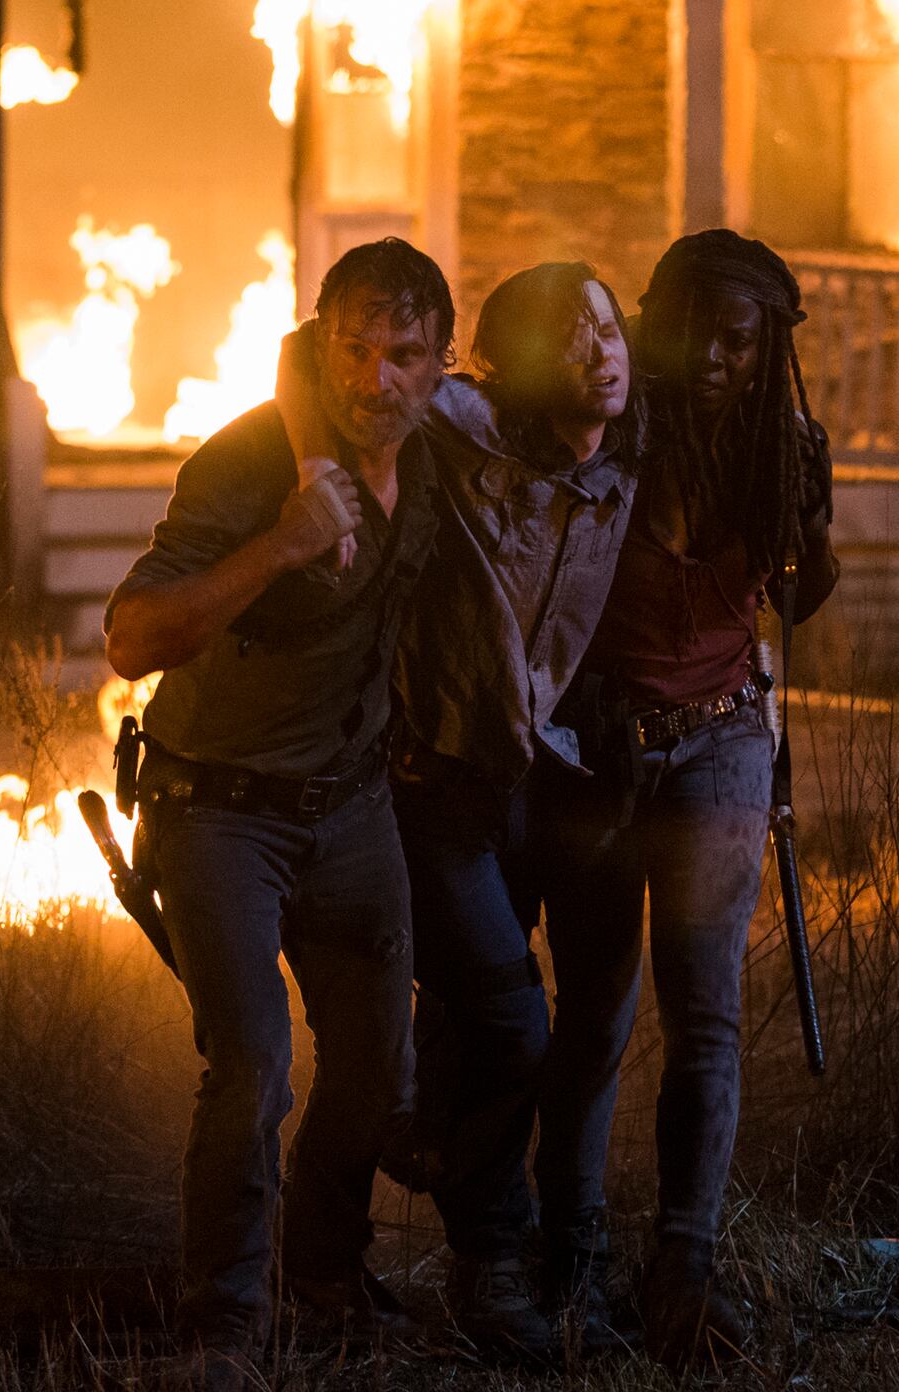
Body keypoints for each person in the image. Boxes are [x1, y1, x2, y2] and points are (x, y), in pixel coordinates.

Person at [102, 238, 454, 1383]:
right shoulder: (249, 464)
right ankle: (222, 1325)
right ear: (322, 342)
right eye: (354, 347)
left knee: (373, 1053)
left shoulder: (440, 457)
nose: (376, 378)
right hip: (220, 809)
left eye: (404, 354)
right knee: (252, 1062)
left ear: (441, 367)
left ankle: (322, 1281)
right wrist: (283, 544)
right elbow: (132, 636)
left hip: (353, 808)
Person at [532, 230, 839, 1365]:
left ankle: (685, 1274)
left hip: (719, 743)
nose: (711, 356)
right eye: (693, 330)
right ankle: (569, 1266)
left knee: (704, 1014)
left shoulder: (780, 447)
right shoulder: (607, 426)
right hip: (598, 753)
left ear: (768, 350)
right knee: (596, 1010)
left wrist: (812, 512)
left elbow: (802, 598)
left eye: (738, 339)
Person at [385, 261, 641, 1368]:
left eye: (611, 320)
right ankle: (490, 1261)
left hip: (571, 772)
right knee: (502, 1019)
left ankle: (561, 1252)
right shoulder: (460, 428)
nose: (604, 346)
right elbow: (312, 363)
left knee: (587, 1022)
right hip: (444, 776)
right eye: (573, 330)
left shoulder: (639, 445)